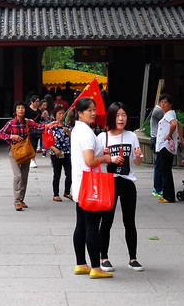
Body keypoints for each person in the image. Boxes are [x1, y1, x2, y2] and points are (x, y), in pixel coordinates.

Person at [71, 97, 120, 279]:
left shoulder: (79, 130)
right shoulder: (86, 133)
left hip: (80, 184)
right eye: (89, 110)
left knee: (81, 225)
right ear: (80, 112)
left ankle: (81, 263)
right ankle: (95, 267)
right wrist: (106, 159)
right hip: (91, 185)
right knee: (92, 226)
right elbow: (90, 161)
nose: (93, 113)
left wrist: (101, 153)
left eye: (94, 109)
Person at [97, 103, 144, 272]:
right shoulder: (103, 137)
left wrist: (138, 156)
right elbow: (97, 162)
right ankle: (104, 257)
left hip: (127, 181)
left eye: (123, 115)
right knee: (106, 221)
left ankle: (133, 258)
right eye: (117, 115)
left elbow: (137, 162)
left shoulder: (131, 136)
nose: (121, 119)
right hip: (109, 182)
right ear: (111, 117)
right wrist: (108, 158)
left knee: (129, 221)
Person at [0, 102, 41, 211]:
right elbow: (0, 134)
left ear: (25, 110)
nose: (20, 110)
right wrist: (11, 136)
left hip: (25, 152)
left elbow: (39, 126)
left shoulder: (27, 122)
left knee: (24, 176)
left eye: (22, 108)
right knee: (18, 176)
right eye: (18, 108)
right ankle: (16, 201)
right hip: (14, 152)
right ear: (15, 111)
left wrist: (49, 125)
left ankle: (21, 199)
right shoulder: (10, 123)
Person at [154, 94, 182, 203]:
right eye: (161, 102)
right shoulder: (169, 114)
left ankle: (169, 196)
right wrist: (181, 138)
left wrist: (169, 135)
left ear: (170, 104)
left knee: (166, 171)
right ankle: (167, 194)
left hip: (165, 146)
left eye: (165, 102)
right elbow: (178, 125)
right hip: (165, 146)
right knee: (166, 171)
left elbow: (174, 124)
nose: (163, 104)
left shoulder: (169, 114)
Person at [48, 105, 72, 202]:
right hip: (56, 153)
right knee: (57, 174)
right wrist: (54, 149)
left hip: (66, 153)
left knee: (69, 174)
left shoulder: (67, 127)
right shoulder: (51, 127)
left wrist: (69, 133)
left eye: (63, 114)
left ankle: (67, 192)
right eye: (59, 114)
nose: (61, 116)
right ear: (55, 115)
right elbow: (47, 142)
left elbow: (73, 139)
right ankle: (56, 194)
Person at [149, 99, 166, 197]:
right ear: (162, 102)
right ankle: (157, 188)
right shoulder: (158, 111)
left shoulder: (157, 110)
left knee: (159, 164)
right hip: (156, 140)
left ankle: (159, 187)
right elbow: (169, 120)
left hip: (156, 139)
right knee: (158, 165)